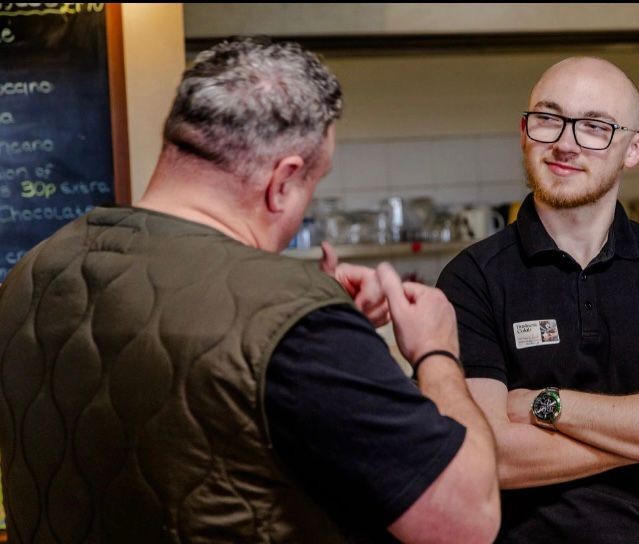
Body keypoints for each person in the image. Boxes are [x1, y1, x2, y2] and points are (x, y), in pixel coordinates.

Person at [0, 37, 499, 543]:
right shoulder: (295, 321)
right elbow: (464, 520)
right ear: (283, 181)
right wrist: (436, 351)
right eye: (314, 183)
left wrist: (316, 314)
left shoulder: (36, 268)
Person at [436, 56, 639, 543]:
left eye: (595, 126)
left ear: (634, 149)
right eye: (548, 118)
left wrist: (545, 404)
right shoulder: (472, 278)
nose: (564, 143)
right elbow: (485, 455)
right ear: (524, 130)